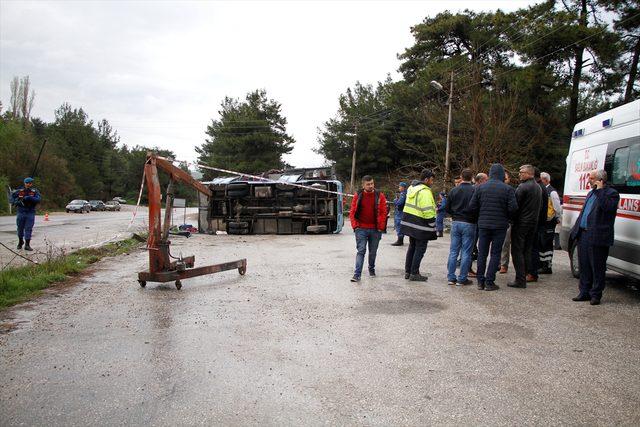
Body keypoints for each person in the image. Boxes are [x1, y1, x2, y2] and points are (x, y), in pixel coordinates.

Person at [570, 170, 619, 305]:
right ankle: (584, 292)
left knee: (597, 267)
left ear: (600, 180)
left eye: (591, 178)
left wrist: (600, 190)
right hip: (584, 234)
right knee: (584, 265)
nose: (588, 180)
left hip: (598, 236)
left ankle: (596, 294)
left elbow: (607, 208)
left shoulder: (611, 194)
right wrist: (576, 230)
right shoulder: (591, 193)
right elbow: (585, 212)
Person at [468, 164, 518, 291]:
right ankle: (489, 282)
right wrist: (506, 217)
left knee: (482, 253)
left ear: (490, 174)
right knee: (495, 253)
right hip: (500, 226)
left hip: (483, 225)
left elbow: (472, 207)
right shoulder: (508, 189)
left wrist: (481, 216)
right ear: (502, 174)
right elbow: (513, 208)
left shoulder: (480, 188)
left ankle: (480, 281)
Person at [400, 169, 438, 281]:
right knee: (420, 249)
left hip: (410, 223)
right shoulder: (425, 191)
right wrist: (432, 223)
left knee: (412, 247)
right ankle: (414, 273)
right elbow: (427, 210)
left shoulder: (411, 188)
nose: (432, 182)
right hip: (421, 225)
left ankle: (408, 271)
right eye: (431, 180)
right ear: (426, 179)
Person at [508, 165, 542, 289]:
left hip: (522, 223)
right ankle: (527, 273)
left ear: (528, 173)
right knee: (527, 250)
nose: (519, 174)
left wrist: (510, 220)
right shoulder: (538, 187)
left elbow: (515, 206)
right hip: (533, 222)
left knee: (517, 251)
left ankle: (520, 279)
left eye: (521, 172)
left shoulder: (523, 187)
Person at [349, 175, 388, 282]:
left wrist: (381, 227)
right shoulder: (358, 195)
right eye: (368, 184)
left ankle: (371, 269)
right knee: (361, 251)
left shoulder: (380, 195)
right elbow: (352, 212)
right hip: (361, 228)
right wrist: (355, 226)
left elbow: (384, 212)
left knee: (373, 252)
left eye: (372, 183)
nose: (371, 186)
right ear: (363, 185)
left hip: (375, 229)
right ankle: (357, 275)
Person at [446, 168, 476, 286]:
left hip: (456, 221)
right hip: (469, 222)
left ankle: (451, 277)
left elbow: (447, 208)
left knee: (453, 251)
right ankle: (462, 278)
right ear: (472, 177)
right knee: (466, 252)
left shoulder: (454, 190)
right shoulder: (475, 191)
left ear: (461, 177)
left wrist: (454, 214)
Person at [526, 168, 549, 282]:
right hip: (538, 222)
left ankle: (532, 272)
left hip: (536, 222)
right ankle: (531, 271)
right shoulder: (541, 186)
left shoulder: (537, 187)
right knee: (533, 247)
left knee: (532, 248)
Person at [10, 177, 42, 251]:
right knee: (20, 228)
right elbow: (11, 198)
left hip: (30, 212)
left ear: (32, 184)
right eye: (27, 183)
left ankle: (27, 245)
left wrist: (29, 198)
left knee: (28, 228)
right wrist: (16, 202)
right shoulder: (19, 191)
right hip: (21, 211)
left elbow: (38, 199)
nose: (28, 184)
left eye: (30, 183)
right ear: (24, 183)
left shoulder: (35, 191)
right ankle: (20, 241)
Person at [539, 172, 562, 274]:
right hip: (544, 221)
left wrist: (558, 217)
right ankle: (542, 264)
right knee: (542, 243)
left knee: (547, 244)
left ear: (546, 180)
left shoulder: (552, 192)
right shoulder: (543, 190)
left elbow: (557, 207)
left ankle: (547, 265)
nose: (540, 181)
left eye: (541, 180)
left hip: (549, 221)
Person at [499, 170, 512, 274]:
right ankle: (497, 263)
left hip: (506, 221)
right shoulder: (496, 189)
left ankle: (504, 264)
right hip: (496, 220)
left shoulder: (511, 190)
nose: (504, 180)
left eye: (506, 178)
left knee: (505, 244)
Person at [391, 182, 408, 246]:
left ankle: (400, 240)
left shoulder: (403, 194)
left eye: (400, 187)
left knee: (399, 225)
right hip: (402, 211)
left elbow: (399, 203)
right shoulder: (404, 193)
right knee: (399, 225)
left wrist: (395, 200)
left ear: (403, 187)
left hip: (400, 212)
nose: (399, 188)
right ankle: (400, 240)